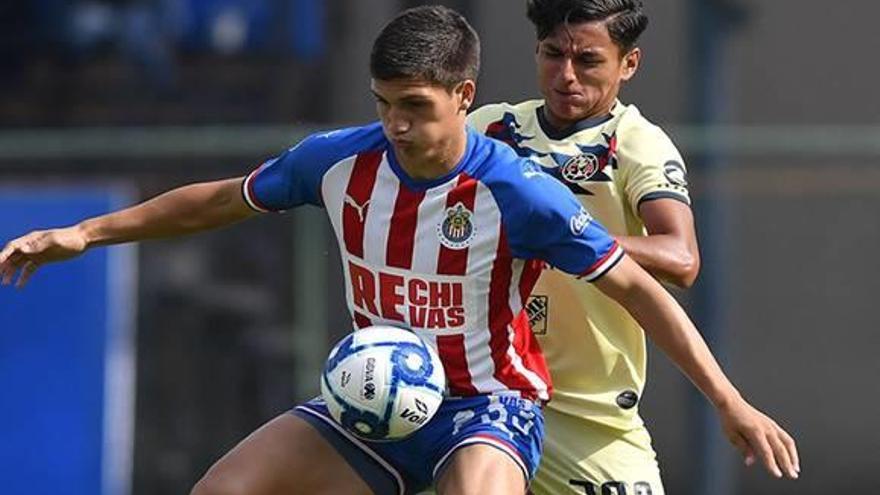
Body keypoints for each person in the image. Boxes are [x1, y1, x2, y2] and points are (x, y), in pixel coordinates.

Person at [0, 5, 796, 495]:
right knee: (224, 489)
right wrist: (89, 232)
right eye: (384, 105)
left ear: (463, 96)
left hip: (489, 405)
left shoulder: (517, 191)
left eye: (415, 106)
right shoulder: (337, 160)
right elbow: (222, 197)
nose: (398, 126)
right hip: (371, 400)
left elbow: (641, 286)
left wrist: (729, 400)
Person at [466, 1, 799, 493]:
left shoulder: (635, 142)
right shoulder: (489, 130)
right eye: (553, 54)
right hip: (482, 397)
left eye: (588, 61)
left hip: (588, 417)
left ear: (629, 64)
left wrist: (568, 238)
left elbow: (681, 259)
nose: (566, 75)